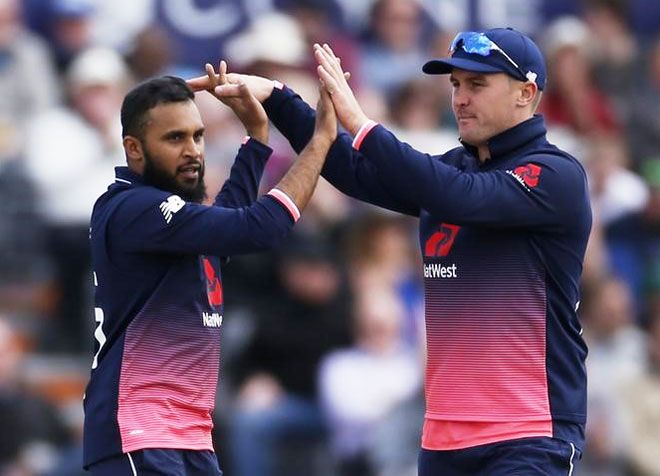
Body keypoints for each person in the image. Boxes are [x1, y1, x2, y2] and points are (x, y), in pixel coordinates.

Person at [189, 27, 592, 475]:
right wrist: (278, 98)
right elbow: (352, 170)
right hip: (444, 438)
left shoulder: (554, 175)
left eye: (477, 84)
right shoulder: (451, 171)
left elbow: (459, 196)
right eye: (456, 84)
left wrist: (362, 124)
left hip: (528, 433)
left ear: (526, 92)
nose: (459, 98)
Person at [83, 63, 337, 475]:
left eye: (198, 135)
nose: (193, 150)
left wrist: (256, 137)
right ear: (133, 148)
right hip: (138, 430)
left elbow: (229, 227)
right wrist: (320, 143)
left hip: (188, 432)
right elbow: (258, 228)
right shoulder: (132, 208)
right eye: (174, 138)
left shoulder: (174, 224)